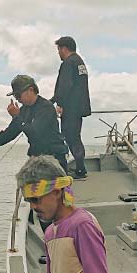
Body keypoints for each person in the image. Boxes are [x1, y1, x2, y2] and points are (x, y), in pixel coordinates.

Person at [0, 75, 69, 172]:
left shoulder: (46, 107)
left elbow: (35, 134)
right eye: (15, 96)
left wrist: (16, 117)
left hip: (55, 157)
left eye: (18, 95)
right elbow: (9, 133)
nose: (17, 99)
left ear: (31, 90)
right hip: (37, 159)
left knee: (58, 187)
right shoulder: (24, 110)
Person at [50, 36, 92, 179]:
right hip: (79, 106)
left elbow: (65, 85)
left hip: (70, 106)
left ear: (63, 48)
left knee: (70, 137)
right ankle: (80, 168)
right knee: (75, 137)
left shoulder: (68, 63)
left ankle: (80, 170)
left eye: (58, 50)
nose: (58, 53)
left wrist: (59, 103)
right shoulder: (79, 62)